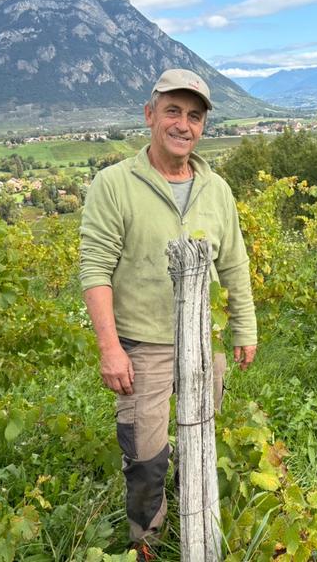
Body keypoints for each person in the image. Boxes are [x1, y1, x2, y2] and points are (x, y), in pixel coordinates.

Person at [79, 68, 257, 548]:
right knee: (145, 454)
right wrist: (110, 348)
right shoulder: (114, 183)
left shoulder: (216, 189)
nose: (183, 124)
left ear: (203, 126)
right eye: (172, 111)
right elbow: (95, 269)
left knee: (200, 435)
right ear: (149, 115)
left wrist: (244, 328)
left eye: (194, 116)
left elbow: (234, 263)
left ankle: (195, 520)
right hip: (143, 343)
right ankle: (147, 542)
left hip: (204, 341)